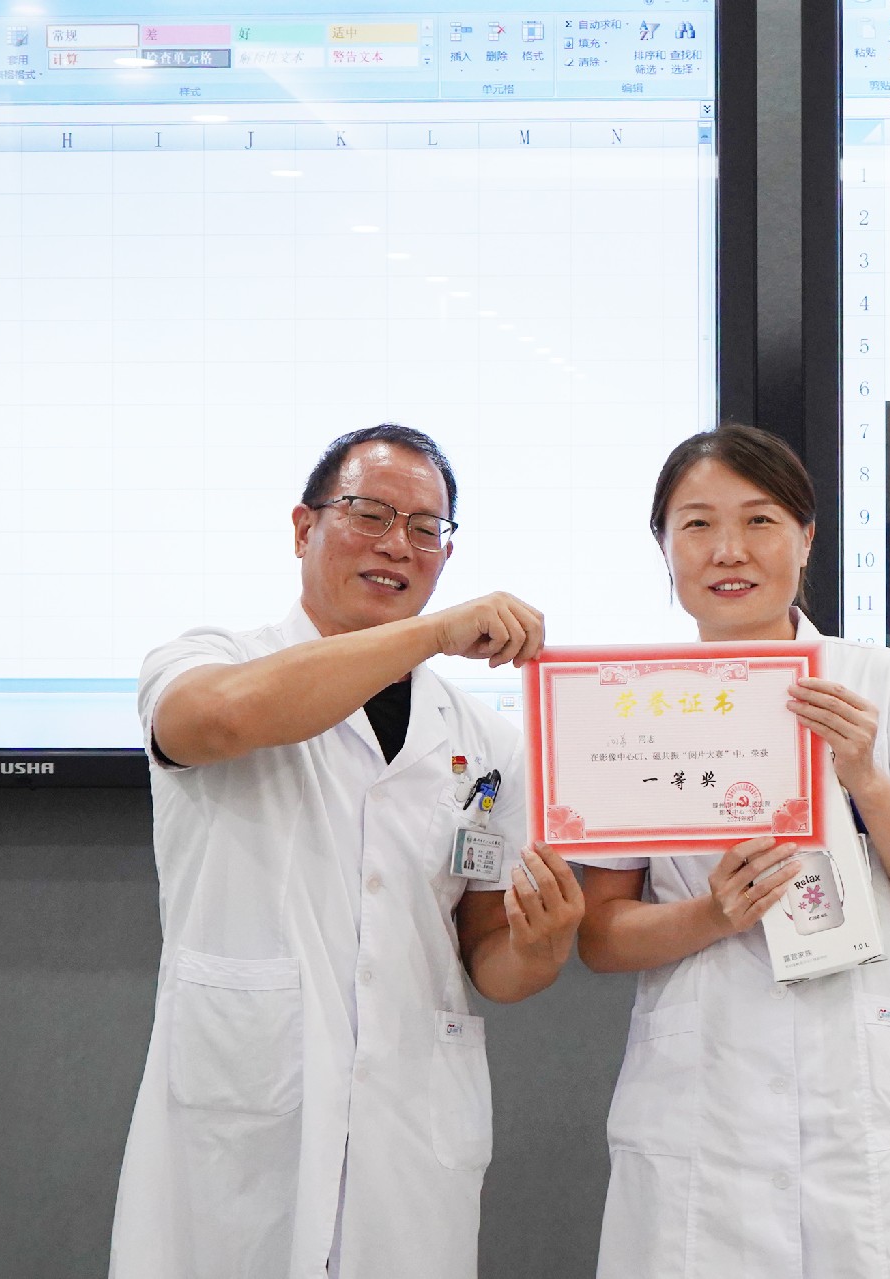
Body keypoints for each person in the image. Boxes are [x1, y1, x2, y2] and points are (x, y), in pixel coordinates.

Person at [108, 424, 585, 1279]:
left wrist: (541, 947)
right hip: (246, 1106)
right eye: (370, 514)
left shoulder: (485, 740)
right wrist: (430, 633)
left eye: (426, 529)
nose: (398, 545)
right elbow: (219, 720)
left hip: (410, 1125)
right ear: (303, 528)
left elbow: (487, 951)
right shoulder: (208, 659)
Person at [576, 424, 890, 1278]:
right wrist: (710, 913)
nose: (727, 550)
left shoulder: (883, 682)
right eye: (696, 524)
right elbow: (600, 934)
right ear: (663, 546)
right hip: (706, 1099)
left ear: (805, 538)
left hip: (868, 1100)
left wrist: (865, 778)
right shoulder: (629, 705)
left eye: (759, 520)